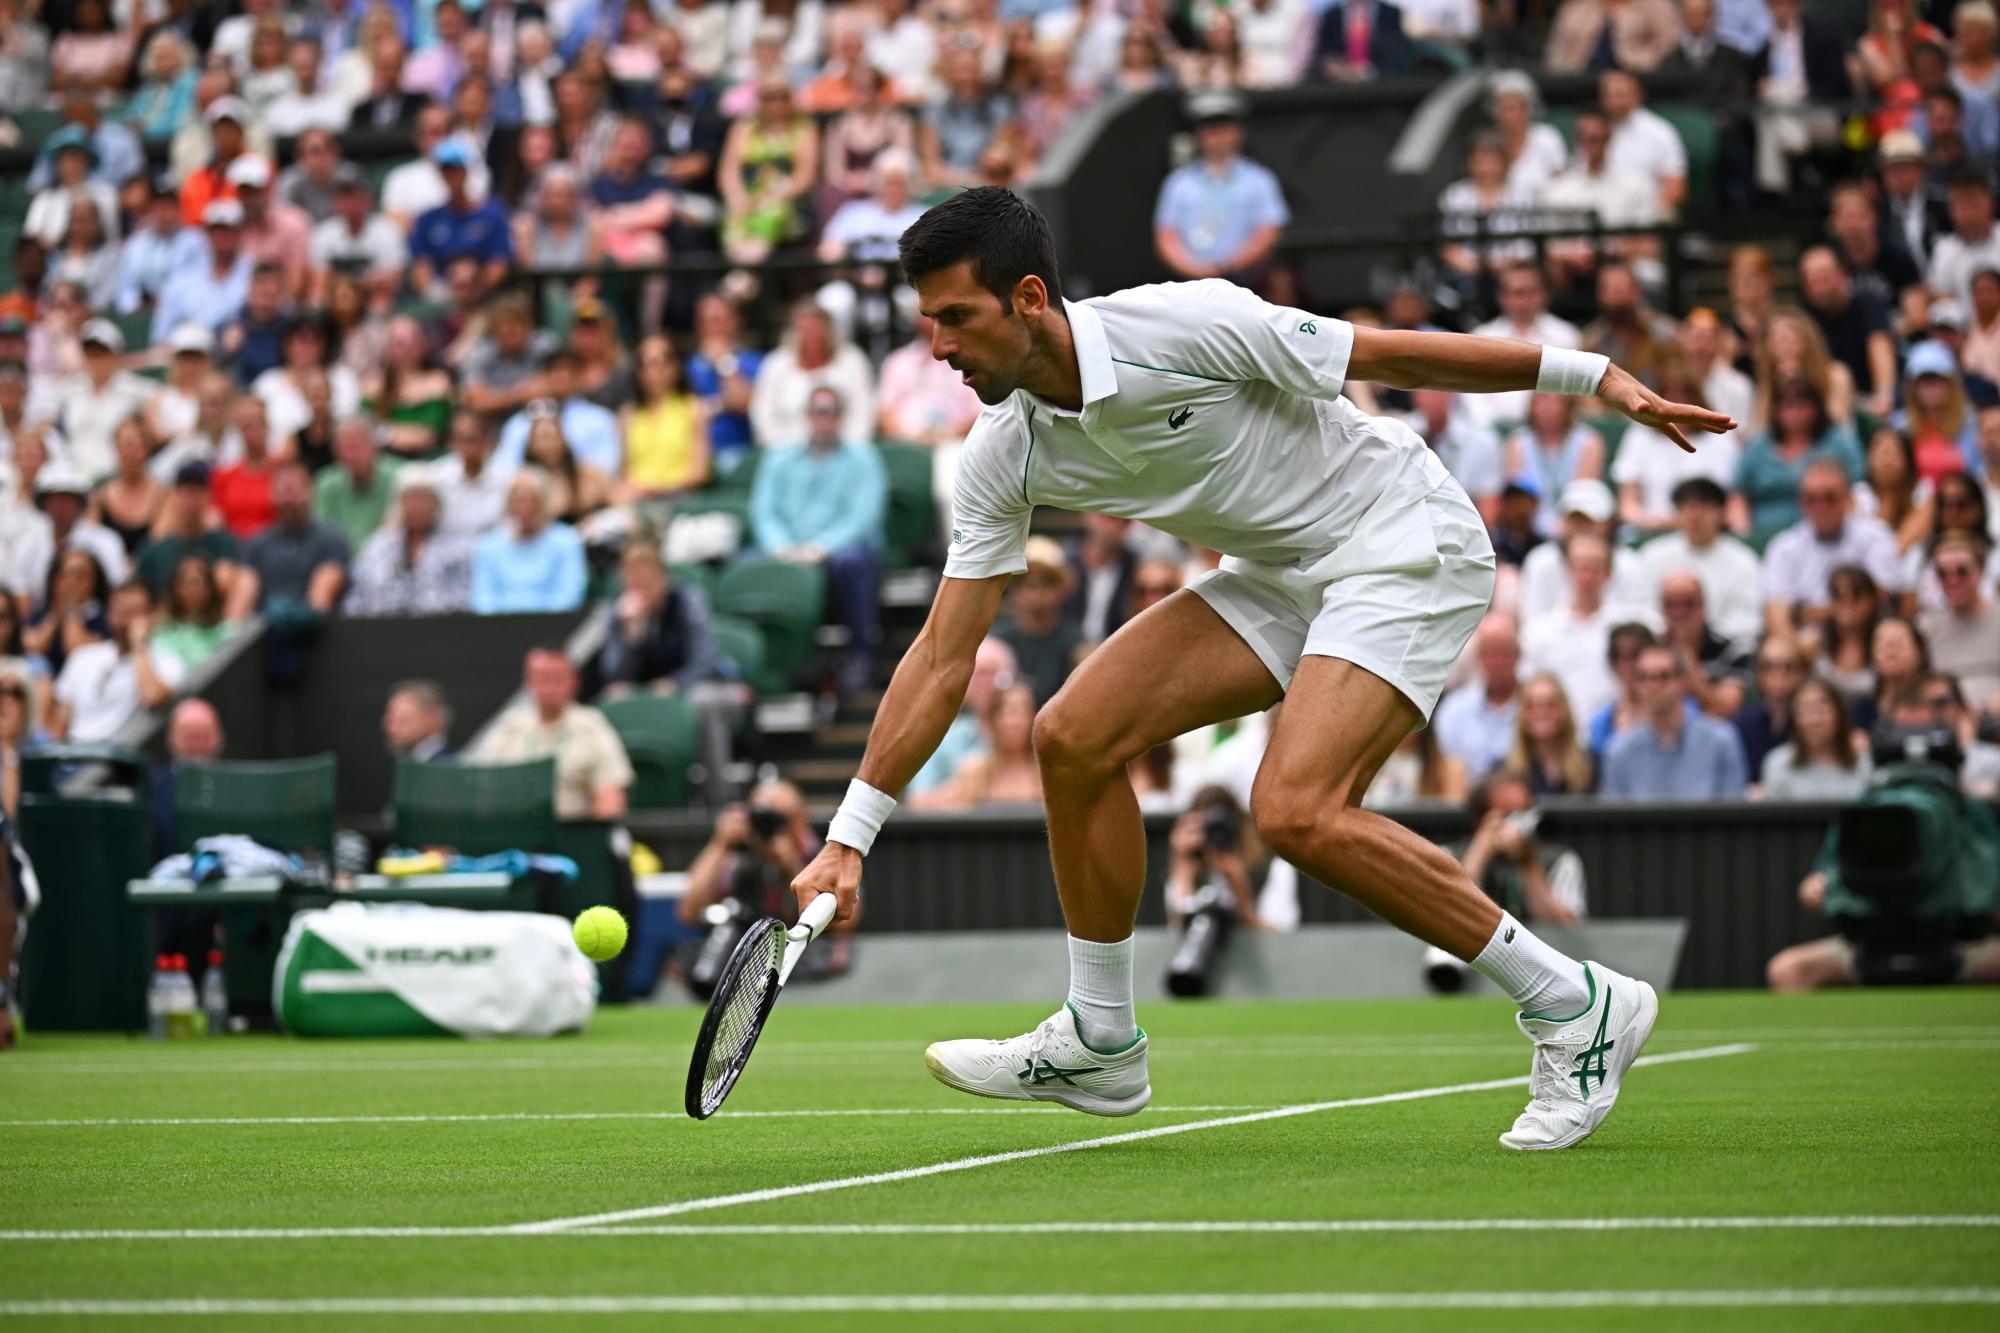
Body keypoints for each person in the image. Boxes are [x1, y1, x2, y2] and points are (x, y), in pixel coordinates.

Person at [792, 188, 1733, 1148]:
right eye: (929, 322)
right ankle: (1100, 1040)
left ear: (1029, 298)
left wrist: (1594, 375)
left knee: (1294, 809)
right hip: (1278, 573)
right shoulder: (1004, 450)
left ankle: (1575, 1002)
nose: (939, 347)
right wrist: (848, 838)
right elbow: (943, 654)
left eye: (957, 317)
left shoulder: (1186, 324)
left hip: (1401, 535)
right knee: (1070, 737)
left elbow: (1388, 354)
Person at [748, 387, 888, 694]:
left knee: (852, 561)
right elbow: (764, 513)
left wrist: (820, 548)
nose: (825, 419)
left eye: (832, 412)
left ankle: (861, 657)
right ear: (807, 416)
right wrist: (781, 548)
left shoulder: (864, 459)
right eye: (819, 411)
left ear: (842, 417)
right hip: (787, 553)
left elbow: (863, 518)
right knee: (746, 566)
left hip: (837, 555)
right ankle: (771, 665)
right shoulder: (778, 460)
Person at [475, 646, 634, 820]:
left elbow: (610, 798)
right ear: (529, 682)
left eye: (557, 679)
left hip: (571, 828)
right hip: (515, 828)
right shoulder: (509, 727)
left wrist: (594, 833)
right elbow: (484, 791)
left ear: (574, 682)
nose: (550, 688)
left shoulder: (592, 726)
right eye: (542, 679)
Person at [1153, 91, 1289, 289]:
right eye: (1208, 129)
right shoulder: (1178, 183)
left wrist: (1229, 266)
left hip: (1246, 285)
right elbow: (1166, 236)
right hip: (1191, 286)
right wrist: (1196, 271)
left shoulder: (1260, 180)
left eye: (1223, 128)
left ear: (1238, 131)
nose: (1216, 136)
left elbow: (1269, 231)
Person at [1762, 462, 1906, 640]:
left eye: (1830, 498)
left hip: (1865, 638)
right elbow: (1777, 616)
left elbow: (1882, 598)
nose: (1821, 507)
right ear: (1800, 503)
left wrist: (1805, 612)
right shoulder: (1783, 547)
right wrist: (1798, 649)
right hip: (1804, 644)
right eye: (1811, 499)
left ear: (1847, 497)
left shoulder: (1876, 536)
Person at [1600, 642, 1749, 799]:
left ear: (1682, 682)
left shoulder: (1721, 742)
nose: (1653, 686)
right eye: (1644, 677)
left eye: (1663, 677)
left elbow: (1734, 809)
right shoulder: (1619, 751)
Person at [1450, 772, 1586, 939]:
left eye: (1525, 813)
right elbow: (1451, 914)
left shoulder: (1561, 860)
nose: (1517, 825)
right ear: (1480, 820)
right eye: (1508, 815)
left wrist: (1528, 864)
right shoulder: (1449, 856)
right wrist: (1480, 852)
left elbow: (1569, 932)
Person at [47, 581, 184, 742]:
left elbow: (152, 697)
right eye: (120, 610)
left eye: (133, 612)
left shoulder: (167, 661)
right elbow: (59, 723)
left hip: (122, 751)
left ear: (151, 616)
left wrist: (139, 645)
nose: (123, 619)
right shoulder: (82, 657)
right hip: (75, 749)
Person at [1635, 478, 1764, 645]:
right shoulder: (1653, 554)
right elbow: (1640, 608)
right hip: (1662, 646)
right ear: (1677, 512)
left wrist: (1703, 637)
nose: (1696, 516)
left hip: (1721, 651)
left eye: (1705, 507)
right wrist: (1672, 633)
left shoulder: (1744, 560)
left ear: (1721, 512)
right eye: (1688, 507)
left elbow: (1749, 618)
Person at [1521, 534, 1633, 722]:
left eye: (1595, 568)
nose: (1587, 577)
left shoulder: (1628, 629)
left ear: (1609, 573)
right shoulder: (1537, 632)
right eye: (1581, 568)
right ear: (1567, 570)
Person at [600, 544, 730, 695]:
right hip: (648, 690)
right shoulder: (622, 612)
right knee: (614, 695)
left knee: (700, 695)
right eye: (633, 585)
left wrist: (675, 682)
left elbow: (706, 661)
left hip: (688, 685)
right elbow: (613, 676)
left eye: (646, 584)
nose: (639, 593)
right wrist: (632, 637)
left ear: (663, 579)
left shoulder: (688, 602)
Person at [345, 468, 474, 617]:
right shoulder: (379, 545)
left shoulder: (457, 547)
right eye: (412, 499)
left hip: (438, 623)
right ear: (400, 504)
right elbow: (358, 593)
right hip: (383, 623)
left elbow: (464, 597)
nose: (417, 506)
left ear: (437, 504)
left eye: (424, 499)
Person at [748, 301, 876, 452]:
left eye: (817, 328)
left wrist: (848, 450)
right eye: (805, 329)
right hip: (786, 452)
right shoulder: (776, 363)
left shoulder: (852, 360)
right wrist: (783, 450)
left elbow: (864, 411)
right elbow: (763, 413)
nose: (811, 335)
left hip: (846, 452)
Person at [905, 636, 1017, 799]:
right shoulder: (941, 740)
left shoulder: (1028, 740)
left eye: (992, 674)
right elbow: (917, 800)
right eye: (978, 675)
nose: (985, 684)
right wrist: (964, 787)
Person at [910, 680, 1046, 810]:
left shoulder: (1046, 773)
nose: (1012, 722)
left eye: (1021, 712)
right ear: (993, 720)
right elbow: (922, 804)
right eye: (1004, 713)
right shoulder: (975, 770)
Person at [242, 462, 350, 618]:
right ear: (272, 495)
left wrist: (304, 617)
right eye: (283, 492)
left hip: (316, 627)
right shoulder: (257, 543)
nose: (289, 500)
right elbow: (242, 598)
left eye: (295, 491)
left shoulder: (332, 539)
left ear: (310, 493)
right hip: (264, 625)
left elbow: (323, 597)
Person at [494, 349, 624, 479]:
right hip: (533, 488)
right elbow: (500, 470)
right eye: (555, 371)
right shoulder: (520, 423)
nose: (563, 376)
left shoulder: (600, 420)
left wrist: (565, 477)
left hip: (582, 487)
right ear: (542, 376)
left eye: (570, 371)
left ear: (581, 377)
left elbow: (608, 467)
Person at [472, 469, 587, 615]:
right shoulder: (489, 547)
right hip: (499, 625)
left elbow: (569, 596)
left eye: (533, 500)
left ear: (545, 503)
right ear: (509, 504)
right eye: (519, 500)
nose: (526, 508)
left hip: (553, 625)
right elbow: (483, 599)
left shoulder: (567, 542)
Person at [1431, 612, 1521, 783]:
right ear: (1478, 657)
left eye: (1504, 652)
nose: (1497, 662)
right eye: (1490, 653)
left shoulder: (1535, 708)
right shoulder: (1453, 710)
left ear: (1518, 654)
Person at [1917, 532, 2000, 708]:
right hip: (1942, 716)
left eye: (1962, 572)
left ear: (1981, 572)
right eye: (1942, 573)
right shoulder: (1925, 626)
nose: (1952, 580)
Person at [1758, 675, 1871, 801]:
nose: (1813, 720)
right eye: (1805, 711)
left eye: (1821, 711)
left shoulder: (1860, 759)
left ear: (1839, 715)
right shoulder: (1778, 763)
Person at [312, 417, 402, 552]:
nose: (353, 455)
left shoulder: (400, 478)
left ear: (374, 446)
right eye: (345, 448)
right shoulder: (326, 483)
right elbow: (323, 534)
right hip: (340, 559)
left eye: (358, 446)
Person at [1504, 672, 1596, 796]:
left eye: (1550, 704)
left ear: (1564, 710)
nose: (1541, 712)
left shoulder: (1591, 765)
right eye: (1531, 706)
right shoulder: (1506, 772)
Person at [434, 413, 512, 542]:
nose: (464, 447)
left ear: (486, 442)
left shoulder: (507, 478)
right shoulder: (436, 476)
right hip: (446, 550)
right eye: (458, 440)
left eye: (471, 440)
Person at [383, 680, 453, 764]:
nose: (391, 729)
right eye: (390, 721)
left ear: (432, 720)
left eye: (403, 720)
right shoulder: (410, 762)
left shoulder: (448, 765)